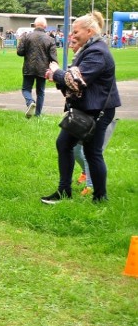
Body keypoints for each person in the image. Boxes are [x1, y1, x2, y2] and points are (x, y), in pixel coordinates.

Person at [42, 11, 120, 204]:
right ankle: (64, 191)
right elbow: (72, 82)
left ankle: (100, 197)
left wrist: (57, 73)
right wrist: (57, 77)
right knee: (64, 144)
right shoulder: (89, 49)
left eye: (76, 32)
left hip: (97, 111)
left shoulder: (97, 51)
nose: (72, 35)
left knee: (92, 152)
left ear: (90, 31)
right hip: (86, 109)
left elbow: (77, 80)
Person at [17, 16, 57, 118]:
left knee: (26, 89)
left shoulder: (26, 37)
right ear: (45, 26)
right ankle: (38, 114)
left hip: (28, 67)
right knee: (40, 91)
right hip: (43, 69)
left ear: (34, 25)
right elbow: (53, 58)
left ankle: (30, 101)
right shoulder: (50, 39)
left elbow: (20, 52)